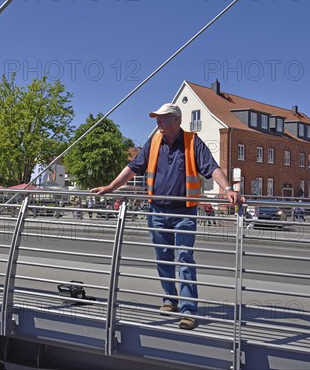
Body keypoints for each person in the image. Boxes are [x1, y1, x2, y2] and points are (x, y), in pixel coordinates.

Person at [91, 103, 244, 330]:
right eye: (157, 118)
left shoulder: (193, 142)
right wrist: (112, 187)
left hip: (184, 213)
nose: (158, 122)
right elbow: (133, 168)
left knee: (184, 260)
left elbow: (212, 168)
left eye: (162, 118)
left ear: (176, 120)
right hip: (157, 212)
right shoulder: (153, 142)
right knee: (163, 259)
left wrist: (228, 189)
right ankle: (170, 299)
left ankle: (189, 310)